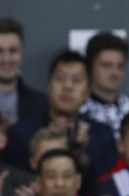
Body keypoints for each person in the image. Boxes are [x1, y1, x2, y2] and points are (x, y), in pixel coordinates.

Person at [1, 50, 117, 187]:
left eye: (77, 80)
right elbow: (15, 185)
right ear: (48, 86)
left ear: (88, 91)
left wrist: (82, 155)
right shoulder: (21, 133)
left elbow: (106, 189)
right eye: (60, 79)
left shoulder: (102, 136)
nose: (67, 87)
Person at [80, 32, 129, 139]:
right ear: (89, 67)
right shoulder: (78, 110)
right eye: (107, 66)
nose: (115, 73)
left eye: (120, 66)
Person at [0, 17, 47, 125]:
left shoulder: (41, 104)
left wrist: (16, 131)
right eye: (0, 51)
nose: (6, 58)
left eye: (13, 51)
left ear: (22, 53)